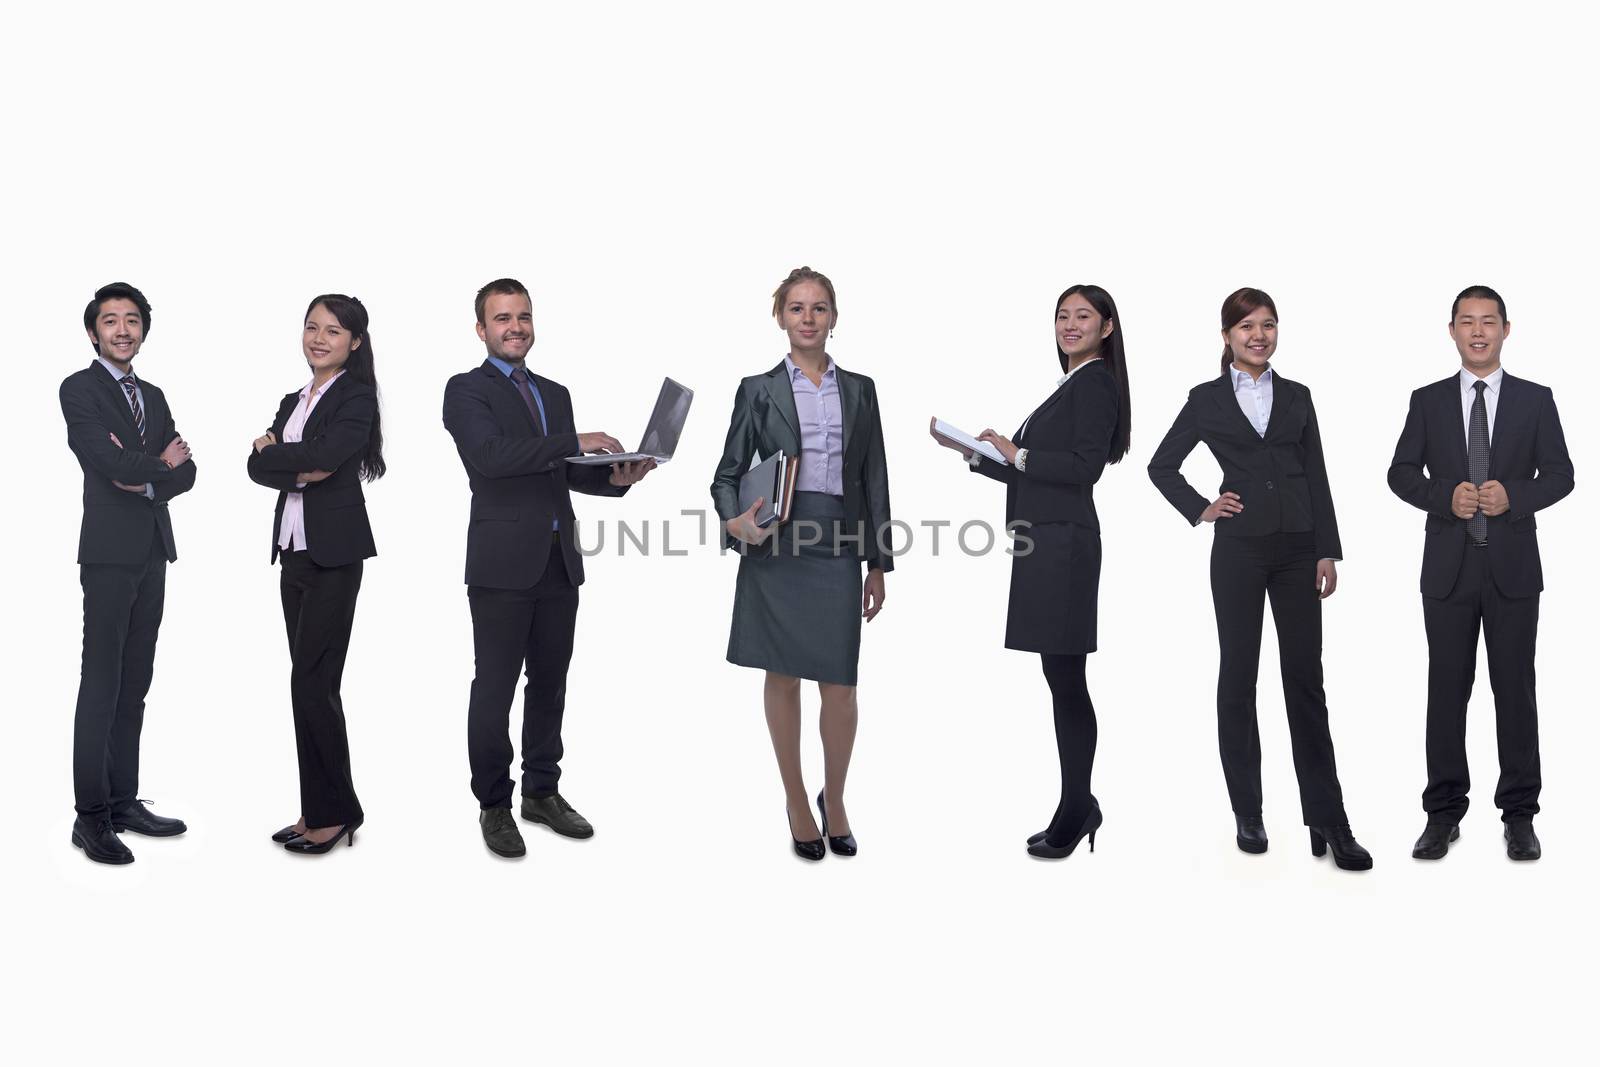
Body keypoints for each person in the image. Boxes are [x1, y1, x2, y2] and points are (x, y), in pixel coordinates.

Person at [1148, 287, 1371, 871]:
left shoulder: (1298, 396)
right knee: (1238, 675)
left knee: (1305, 682)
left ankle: (1330, 819)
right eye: (1247, 326)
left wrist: (1328, 550)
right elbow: (1160, 465)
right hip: (1240, 552)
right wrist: (1201, 506)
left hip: (1299, 550)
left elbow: (1317, 473)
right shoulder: (1206, 398)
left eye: (1268, 325)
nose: (1259, 335)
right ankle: (1248, 810)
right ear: (1227, 336)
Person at [443, 278, 655, 859]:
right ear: (482, 329)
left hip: (559, 563)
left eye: (524, 317)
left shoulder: (554, 392)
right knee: (495, 689)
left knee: (550, 685)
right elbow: (491, 459)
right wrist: (575, 439)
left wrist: (615, 477)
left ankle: (542, 792)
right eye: (503, 318)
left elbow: (560, 471)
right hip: (501, 567)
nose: (516, 327)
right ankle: (494, 804)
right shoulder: (466, 391)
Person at [930, 284, 1131, 859]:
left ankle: (1077, 807)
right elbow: (1038, 472)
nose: (1070, 325)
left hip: (1064, 545)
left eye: (1083, 316)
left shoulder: (1095, 383)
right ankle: (1076, 803)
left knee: (1068, 681)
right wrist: (975, 453)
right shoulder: (1070, 383)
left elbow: (1084, 468)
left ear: (1107, 327)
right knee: (1060, 679)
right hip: (1044, 542)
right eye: (1062, 316)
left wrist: (1016, 453)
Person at [711, 266, 892, 861]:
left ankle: (833, 799)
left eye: (818, 308)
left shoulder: (861, 389)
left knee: (840, 686)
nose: (808, 317)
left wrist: (877, 563)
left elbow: (873, 479)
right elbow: (728, 474)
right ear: (780, 317)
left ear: (834, 318)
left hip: (837, 539)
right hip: (777, 544)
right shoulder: (756, 389)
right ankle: (795, 800)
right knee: (782, 674)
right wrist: (736, 523)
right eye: (796, 308)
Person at [1387, 285, 1573, 862]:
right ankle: (1442, 814)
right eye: (1466, 321)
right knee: (1446, 692)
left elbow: (1562, 475)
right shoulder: (1428, 400)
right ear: (1451, 331)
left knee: (1514, 691)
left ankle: (1519, 815)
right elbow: (1399, 473)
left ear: (1506, 330)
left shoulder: (1536, 400)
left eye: (1488, 321)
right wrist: (1447, 497)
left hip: (1514, 568)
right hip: (1447, 570)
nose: (1477, 331)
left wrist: (1512, 496)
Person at [59, 282, 197, 864]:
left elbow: (188, 470)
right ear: (93, 332)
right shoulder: (79, 389)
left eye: (132, 320)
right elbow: (106, 461)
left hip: (151, 550)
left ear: (143, 329)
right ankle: (89, 816)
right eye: (110, 320)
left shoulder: (155, 394)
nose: (122, 329)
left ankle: (122, 800)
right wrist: (155, 466)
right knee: (102, 683)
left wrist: (152, 470)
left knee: (135, 683)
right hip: (109, 553)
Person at [247, 294, 386, 855]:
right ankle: (322, 808)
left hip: (334, 555)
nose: (319, 337)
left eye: (333, 330)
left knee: (312, 682)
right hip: (294, 550)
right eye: (311, 327)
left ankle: (334, 814)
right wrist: (287, 460)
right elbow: (257, 466)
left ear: (354, 341)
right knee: (309, 685)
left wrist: (284, 454)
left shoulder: (356, 395)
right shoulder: (293, 398)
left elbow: (327, 459)